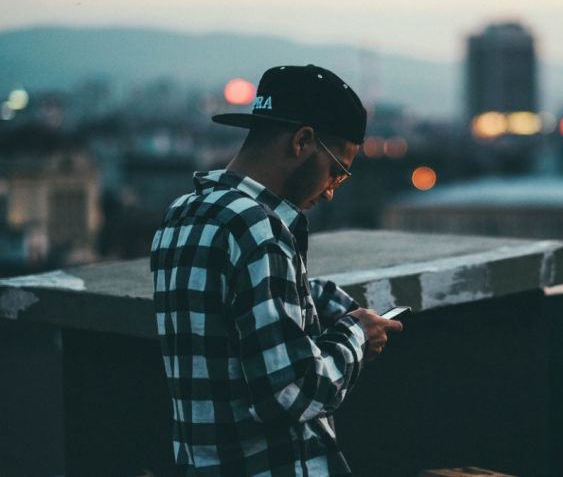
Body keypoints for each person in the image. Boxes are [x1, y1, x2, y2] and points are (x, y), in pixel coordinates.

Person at [150, 64, 403, 476]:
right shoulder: (259, 229)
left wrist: (316, 296)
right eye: (337, 170)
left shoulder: (181, 215)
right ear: (303, 141)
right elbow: (290, 391)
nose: (333, 190)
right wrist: (357, 334)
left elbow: (228, 314)